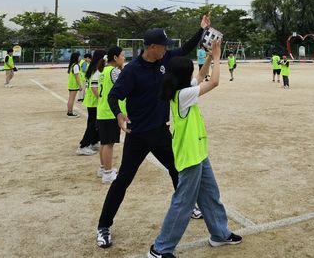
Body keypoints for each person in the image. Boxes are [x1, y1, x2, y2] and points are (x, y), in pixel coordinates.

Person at [95, 16, 210, 249]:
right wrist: (118, 114)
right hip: (137, 135)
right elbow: (113, 95)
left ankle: (190, 207)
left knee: (177, 170)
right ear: (152, 47)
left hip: (160, 132)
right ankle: (103, 226)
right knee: (123, 180)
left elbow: (186, 48)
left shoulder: (165, 58)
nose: (167, 48)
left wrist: (202, 31)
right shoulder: (132, 71)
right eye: (163, 45)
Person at [147, 39, 242, 258]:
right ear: (182, 76)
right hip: (189, 154)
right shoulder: (182, 95)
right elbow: (213, 82)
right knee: (183, 202)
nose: (195, 75)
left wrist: (209, 56)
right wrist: (218, 58)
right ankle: (160, 249)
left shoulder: (182, 88)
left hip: (198, 151)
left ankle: (219, 234)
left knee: (210, 194)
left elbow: (200, 77)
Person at [97, 47, 127, 183]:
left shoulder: (104, 70)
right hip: (110, 112)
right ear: (115, 58)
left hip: (102, 110)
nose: (124, 58)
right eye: (122, 55)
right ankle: (108, 174)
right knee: (109, 144)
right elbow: (125, 87)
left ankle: (103, 168)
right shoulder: (114, 71)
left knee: (104, 142)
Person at [76, 50, 105, 157]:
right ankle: (83, 146)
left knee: (96, 124)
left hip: (92, 101)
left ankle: (93, 141)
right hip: (94, 101)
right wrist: (101, 99)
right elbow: (94, 87)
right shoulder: (96, 70)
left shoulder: (93, 69)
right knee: (92, 124)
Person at [67, 52, 83, 118]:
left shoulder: (72, 65)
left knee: (70, 98)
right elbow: (77, 77)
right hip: (74, 85)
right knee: (72, 99)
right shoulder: (76, 65)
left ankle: (69, 111)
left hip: (71, 84)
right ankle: (70, 113)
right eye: (79, 57)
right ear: (76, 57)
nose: (80, 58)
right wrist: (80, 85)